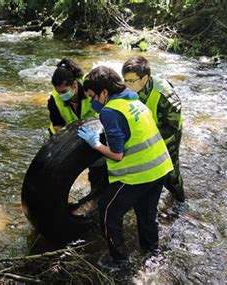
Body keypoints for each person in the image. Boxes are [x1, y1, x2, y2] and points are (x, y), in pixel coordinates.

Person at [78, 66, 173, 263]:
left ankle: (120, 262)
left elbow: (117, 154)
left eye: (92, 96)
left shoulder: (110, 112)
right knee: (147, 215)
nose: (91, 101)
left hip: (137, 175)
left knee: (107, 213)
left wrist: (95, 144)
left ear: (104, 92)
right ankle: (152, 255)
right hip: (160, 168)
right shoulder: (133, 100)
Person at [122, 56, 185, 202]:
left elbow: (172, 127)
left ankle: (179, 201)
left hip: (167, 136)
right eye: (125, 80)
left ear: (144, 79)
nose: (126, 85)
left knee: (169, 174)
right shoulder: (131, 87)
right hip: (145, 132)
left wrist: (145, 138)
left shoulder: (165, 95)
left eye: (131, 81)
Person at [48, 59, 107, 206]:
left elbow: (105, 114)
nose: (60, 95)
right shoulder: (54, 100)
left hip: (93, 133)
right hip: (65, 136)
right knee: (56, 173)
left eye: (63, 91)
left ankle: (96, 198)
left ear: (74, 85)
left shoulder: (91, 92)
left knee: (98, 169)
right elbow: (57, 126)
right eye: (58, 92)